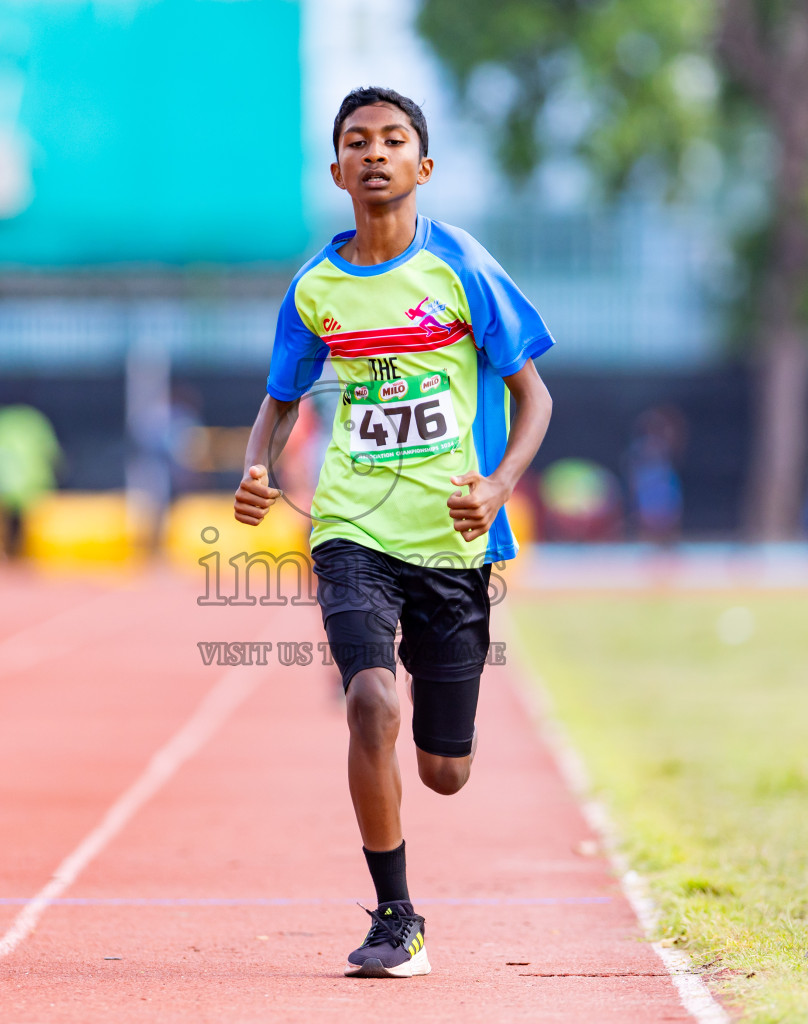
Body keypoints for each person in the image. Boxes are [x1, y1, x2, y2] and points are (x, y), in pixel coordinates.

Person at [233, 87, 554, 978]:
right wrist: (258, 466)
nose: (376, 154)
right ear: (337, 170)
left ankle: (451, 727)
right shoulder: (316, 288)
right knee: (370, 701)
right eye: (357, 143)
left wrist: (495, 488)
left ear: (424, 165)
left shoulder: (461, 268)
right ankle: (396, 915)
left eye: (394, 140)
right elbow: (279, 403)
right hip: (351, 531)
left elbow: (536, 398)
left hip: (453, 542)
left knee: (444, 770)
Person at [0, 404, 62, 558]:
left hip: (1, 485)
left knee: (3, 523)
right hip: (28, 486)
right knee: (19, 525)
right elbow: (51, 454)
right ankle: (15, 554)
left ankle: (5, 553)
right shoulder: (33, 421)